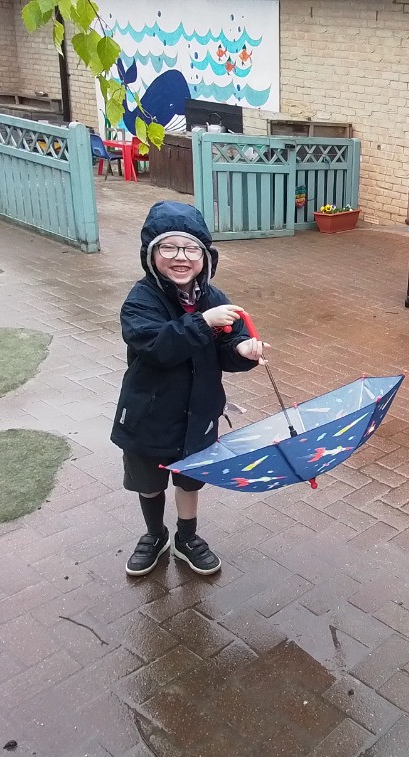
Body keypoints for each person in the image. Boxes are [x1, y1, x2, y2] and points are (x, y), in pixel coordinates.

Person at [111, 201, 267, 576]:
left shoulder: (215, 299)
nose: (180, 257)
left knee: (190, 479)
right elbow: (158, 347)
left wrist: (242, 351)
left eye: (191, 249)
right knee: (149, 482)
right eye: (169, 247)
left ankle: (186, 537)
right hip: (149, 417)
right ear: (152, 254)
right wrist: (203, 323)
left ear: (205, 256)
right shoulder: (141, 300)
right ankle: (155, 534)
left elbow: (227, 348)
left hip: (199, 413)